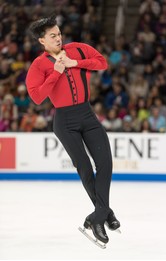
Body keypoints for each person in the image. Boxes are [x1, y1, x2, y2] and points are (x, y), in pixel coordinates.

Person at [26, 15, 120, 244]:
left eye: (59, 34)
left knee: (105, 162)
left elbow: (101, 62)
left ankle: (98, 215)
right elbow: (37, 97)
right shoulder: (39, 65)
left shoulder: (77, 49)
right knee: (85, 168)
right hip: (64, 120)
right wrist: (56, 72)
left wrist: (75, 63)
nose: (58, 38)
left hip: (87, 114)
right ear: (42, 41)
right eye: (52, 36)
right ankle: (103, 215)